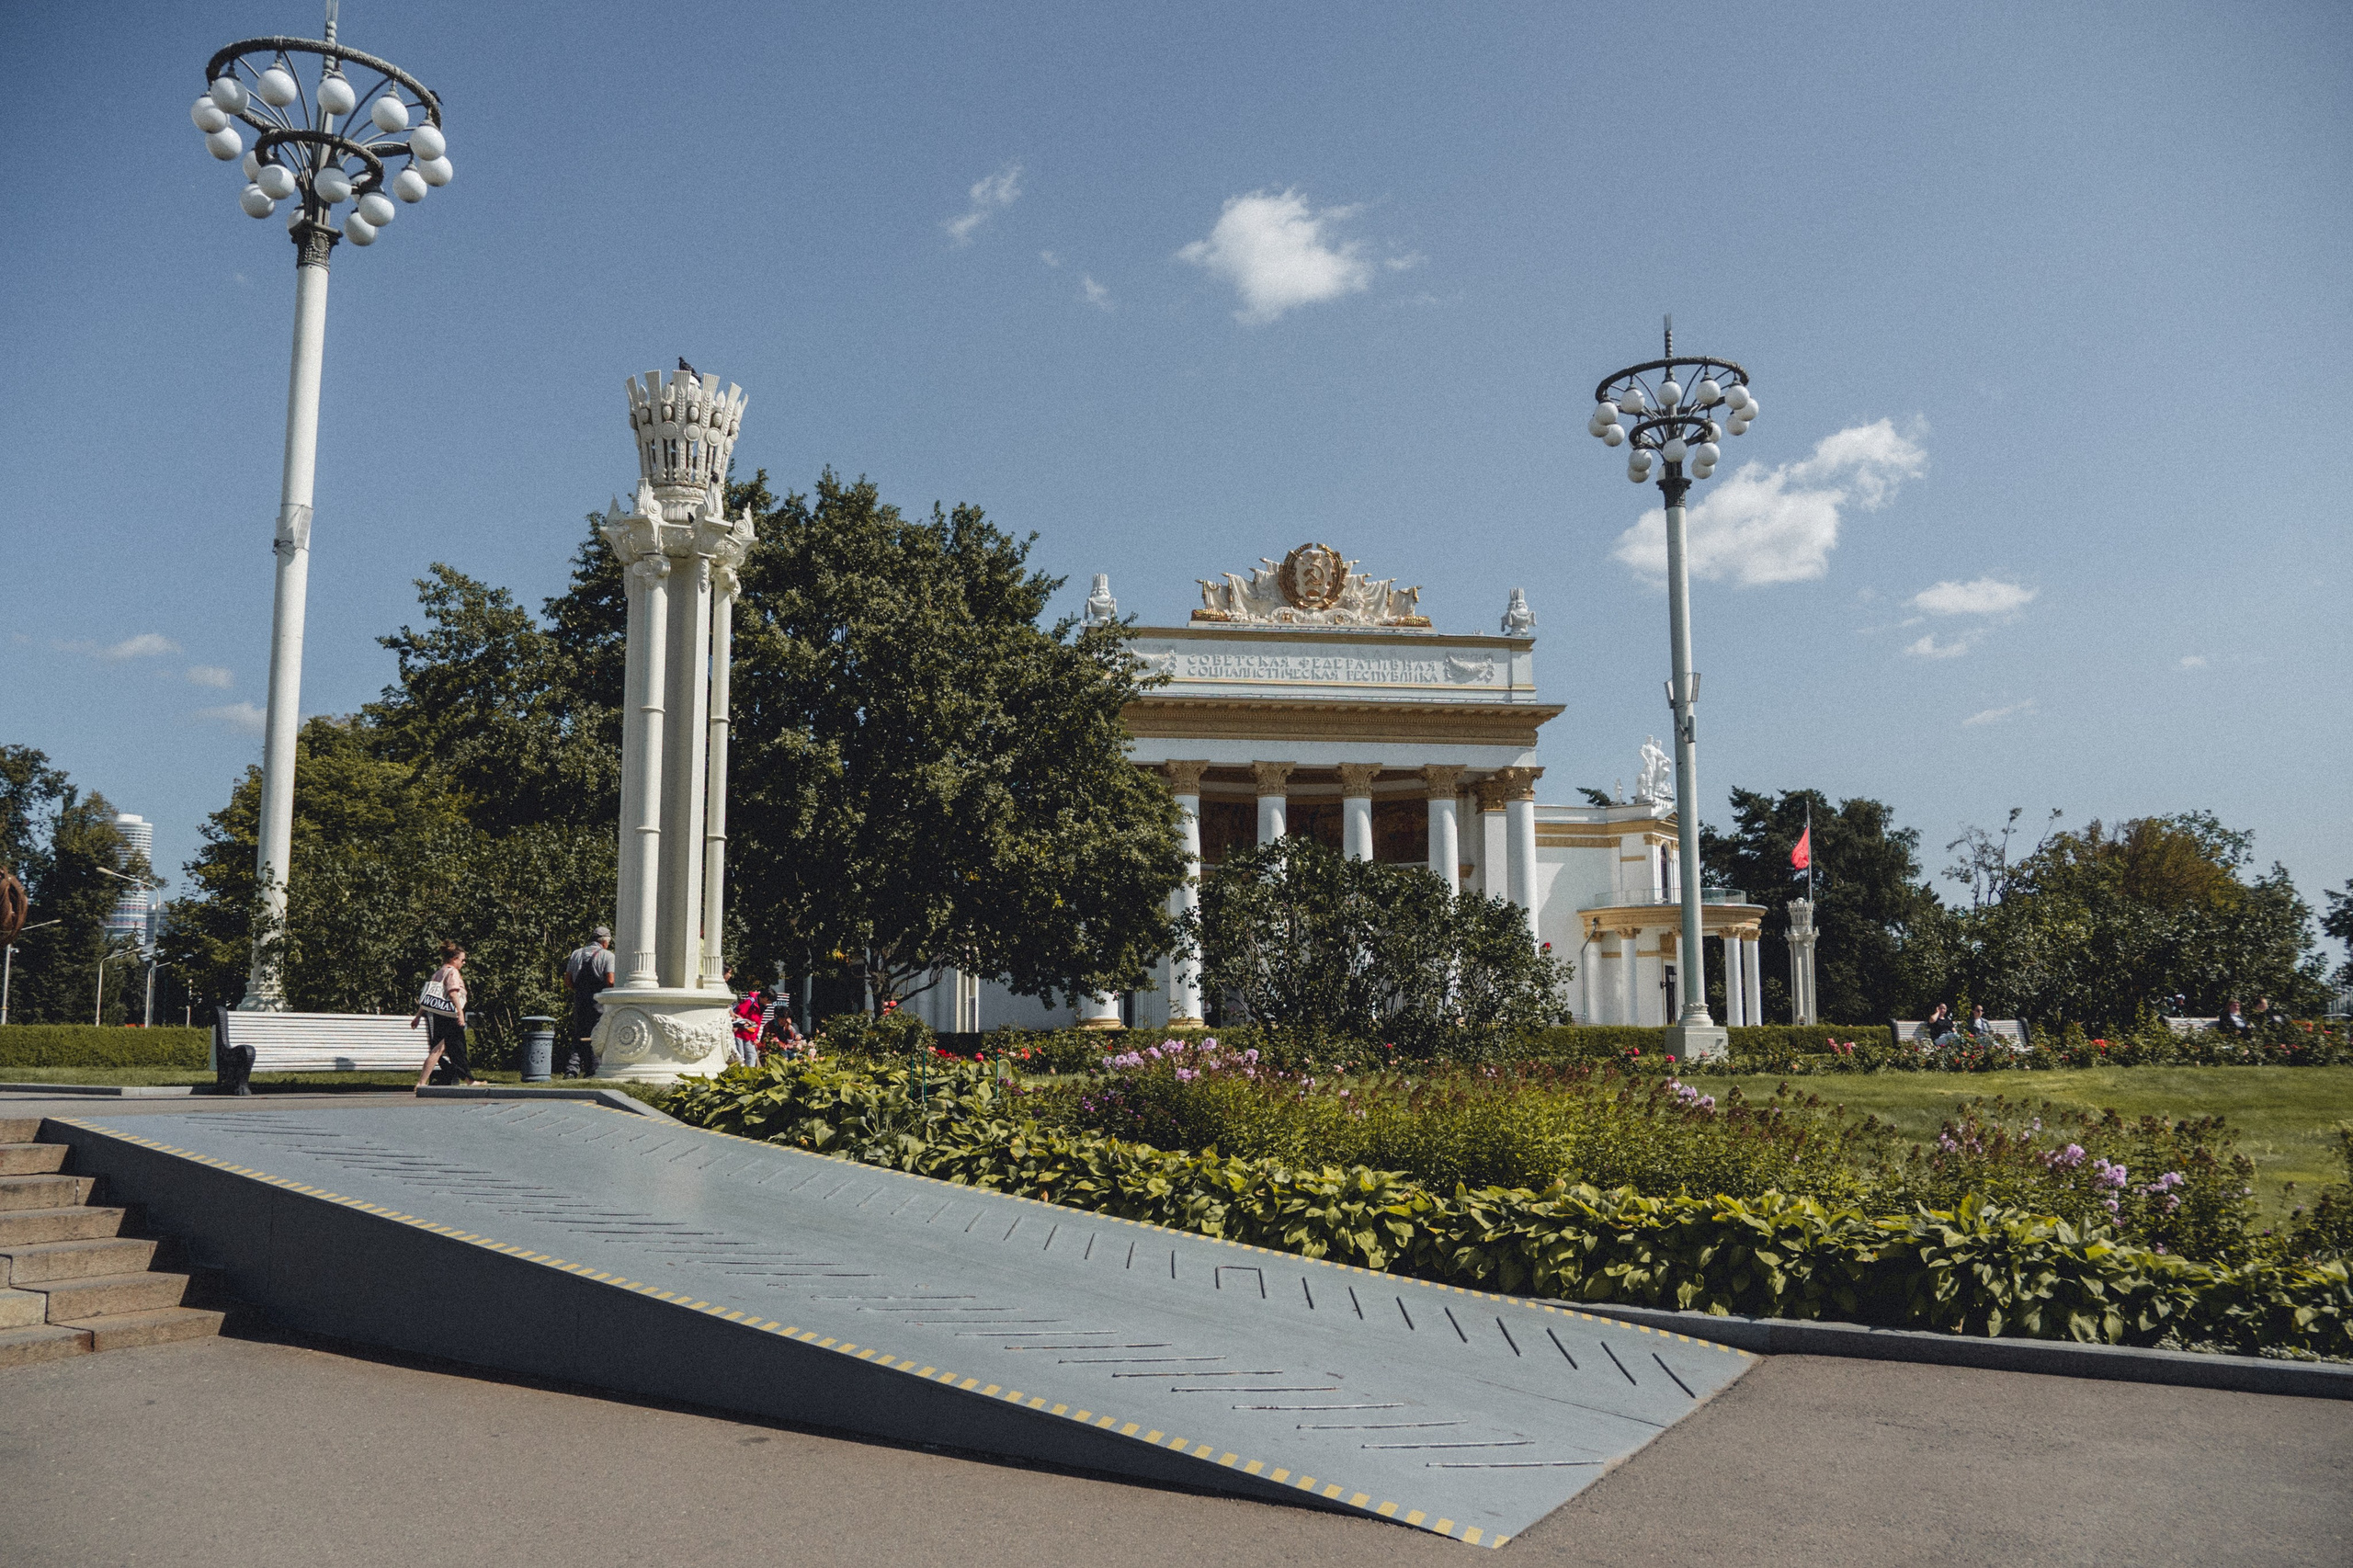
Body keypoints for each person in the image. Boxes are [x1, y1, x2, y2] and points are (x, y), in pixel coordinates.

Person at [412, 941, 481, 1087]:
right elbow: (453, 993)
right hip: (450, 1015)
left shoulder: (438, 972)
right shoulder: (453, 972)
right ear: (454, 959)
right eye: (462, 960)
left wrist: (418, 1015)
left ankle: (468, 1080)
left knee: (446, 1048)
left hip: (438, 1014)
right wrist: (460, 1013)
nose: (464, 963)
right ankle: (421, 1082)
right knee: (447, 1048)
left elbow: (428, 997)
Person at [561, 926, 616, 1078]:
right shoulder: (608, 956)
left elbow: (568, 981)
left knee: (579, 1034)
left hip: (580, 999)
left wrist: (580, 991)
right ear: (605, 942)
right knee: (596, 1034)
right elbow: (610, 981)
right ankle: (593, 1070)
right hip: (597, 1000)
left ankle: (571, 1071)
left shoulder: (576, 953)